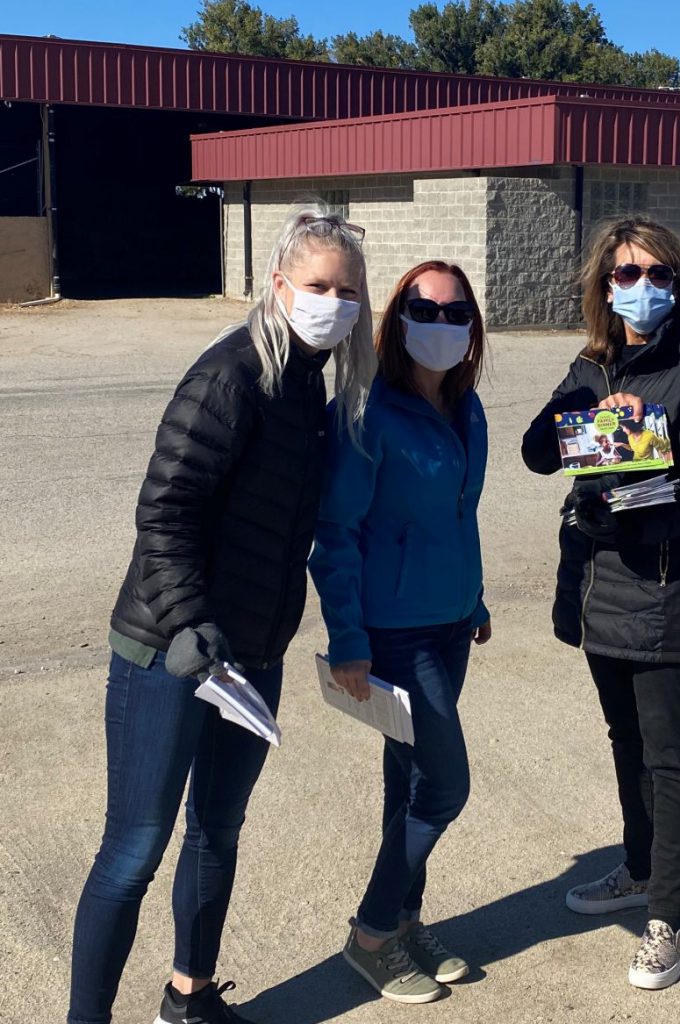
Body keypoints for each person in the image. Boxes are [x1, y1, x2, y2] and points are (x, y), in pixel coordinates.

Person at [67, 204, 376, 1024]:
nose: (333, 303)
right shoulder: (231, 375)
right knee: (133, 851)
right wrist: (191, 623)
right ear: (278, 286)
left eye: (347, 291)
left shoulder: (313, 387)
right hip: (169, 648)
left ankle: (189, 995)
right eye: (317, 285)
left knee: (218, 830)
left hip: (252, 654)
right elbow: (164, 511)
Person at [521, 217, 680, 990]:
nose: (639, 288)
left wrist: (637, 504)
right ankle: (639, 866)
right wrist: (576, 416)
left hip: (665, 589)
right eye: (624, 274)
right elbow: (539, 453)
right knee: (624, 741)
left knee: (672, 759)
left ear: (678, 285)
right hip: (596, 588)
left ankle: (667, 918)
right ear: (602, 287)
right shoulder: (592, 363)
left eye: (655, 274)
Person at [309, 260, 490, 1004]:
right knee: (446, 782)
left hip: (450, 623)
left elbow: (458, 514)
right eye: (425, 309)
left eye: (455, 313)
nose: (440, 325)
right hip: (395, 632)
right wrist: (348, 637)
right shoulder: (365, 411)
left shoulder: (465, 408)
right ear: (396, 319)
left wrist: (471, 599)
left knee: (409, 780)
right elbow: (336, 532)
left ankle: (408, 918)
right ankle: (372, 934)